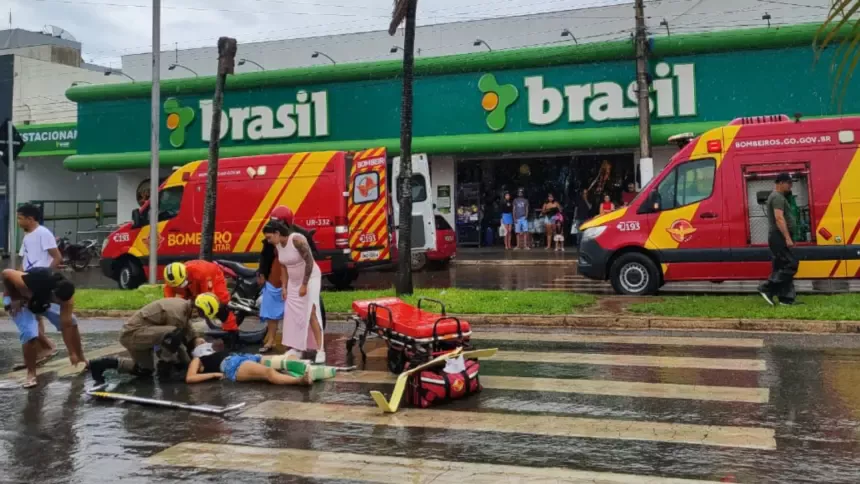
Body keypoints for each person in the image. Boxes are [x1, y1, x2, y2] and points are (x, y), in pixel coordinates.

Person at [88, 295, 212, 383]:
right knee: (174, 335)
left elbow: (187, 329)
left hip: (142, 335)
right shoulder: (176, 314)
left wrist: (195, 339)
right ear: (196, 308)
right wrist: (187, 365)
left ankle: (101, 364)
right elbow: (172, 342)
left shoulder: (184, 307)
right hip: (133, 334)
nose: (199, 317)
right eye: (201, 314)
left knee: (145, 371)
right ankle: (164, 370)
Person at [3, 267, 84, 388]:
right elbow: (6, 273)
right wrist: (15, 298)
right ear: (52, 293)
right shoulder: (35, 281)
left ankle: (81, 359)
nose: (60, 304)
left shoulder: (66, 297)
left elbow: (65, 324)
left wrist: (72, 353)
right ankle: (31, 374)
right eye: (58, 301)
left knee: (72, 321)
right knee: (30, 332)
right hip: (18, 297)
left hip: (39, 300)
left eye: (62, 302)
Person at [272, 220, 326, 364]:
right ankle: (297, 347)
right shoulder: (277, 246)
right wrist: (284, 286)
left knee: (311, 311)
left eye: (270, 237)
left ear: (277, 233)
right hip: (293, 282)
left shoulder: (297, 240)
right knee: (292, 313)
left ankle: (320, 349)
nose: (269, 240)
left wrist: (304, 284)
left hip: (310, 278)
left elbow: (309, 261)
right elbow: (283, 266)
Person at [185, 337, 341, 386]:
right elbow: (190, 378)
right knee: (268, 373)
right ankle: (299, 380)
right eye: (200, 342)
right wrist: (213, 374)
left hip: (242, 357)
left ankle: (309, 370)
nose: (204, 342)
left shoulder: (214, 350)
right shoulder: (198, 359)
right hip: (231, 365)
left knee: (285, 360)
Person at [16, 203, 63, 364]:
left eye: (20, 218)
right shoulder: (27, 235)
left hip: (39, 280)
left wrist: (46, 277)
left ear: (30, 219)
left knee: (34, 313)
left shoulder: (43, 233)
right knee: (33, 315)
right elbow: (25, 259)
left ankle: (47, 348)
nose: (18, 221)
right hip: (28, 279)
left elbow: (57, 257)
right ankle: (40, 350)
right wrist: (18, 277)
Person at [163, 259, 238, 336]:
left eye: (182, 283)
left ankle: (232, 330)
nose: (180, 286)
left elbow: (207, 296)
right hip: (192, 282)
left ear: (186, 273)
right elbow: (168, 305)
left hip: (213, 275)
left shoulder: (201, 272)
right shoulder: (170, 284)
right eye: (177, 286)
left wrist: (199, 307)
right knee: (182, 306)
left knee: (220, 302)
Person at [758, 173, 799, 306]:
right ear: (781, 183)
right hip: (779, 236)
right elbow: (779, 218)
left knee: (781, 266)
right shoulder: (777, 197)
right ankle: (767, 287)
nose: (791, 186)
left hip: (778, 236)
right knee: (791, 264)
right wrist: (787, 238)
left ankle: (785, 299)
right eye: (789, 183)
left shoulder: (779, 196)